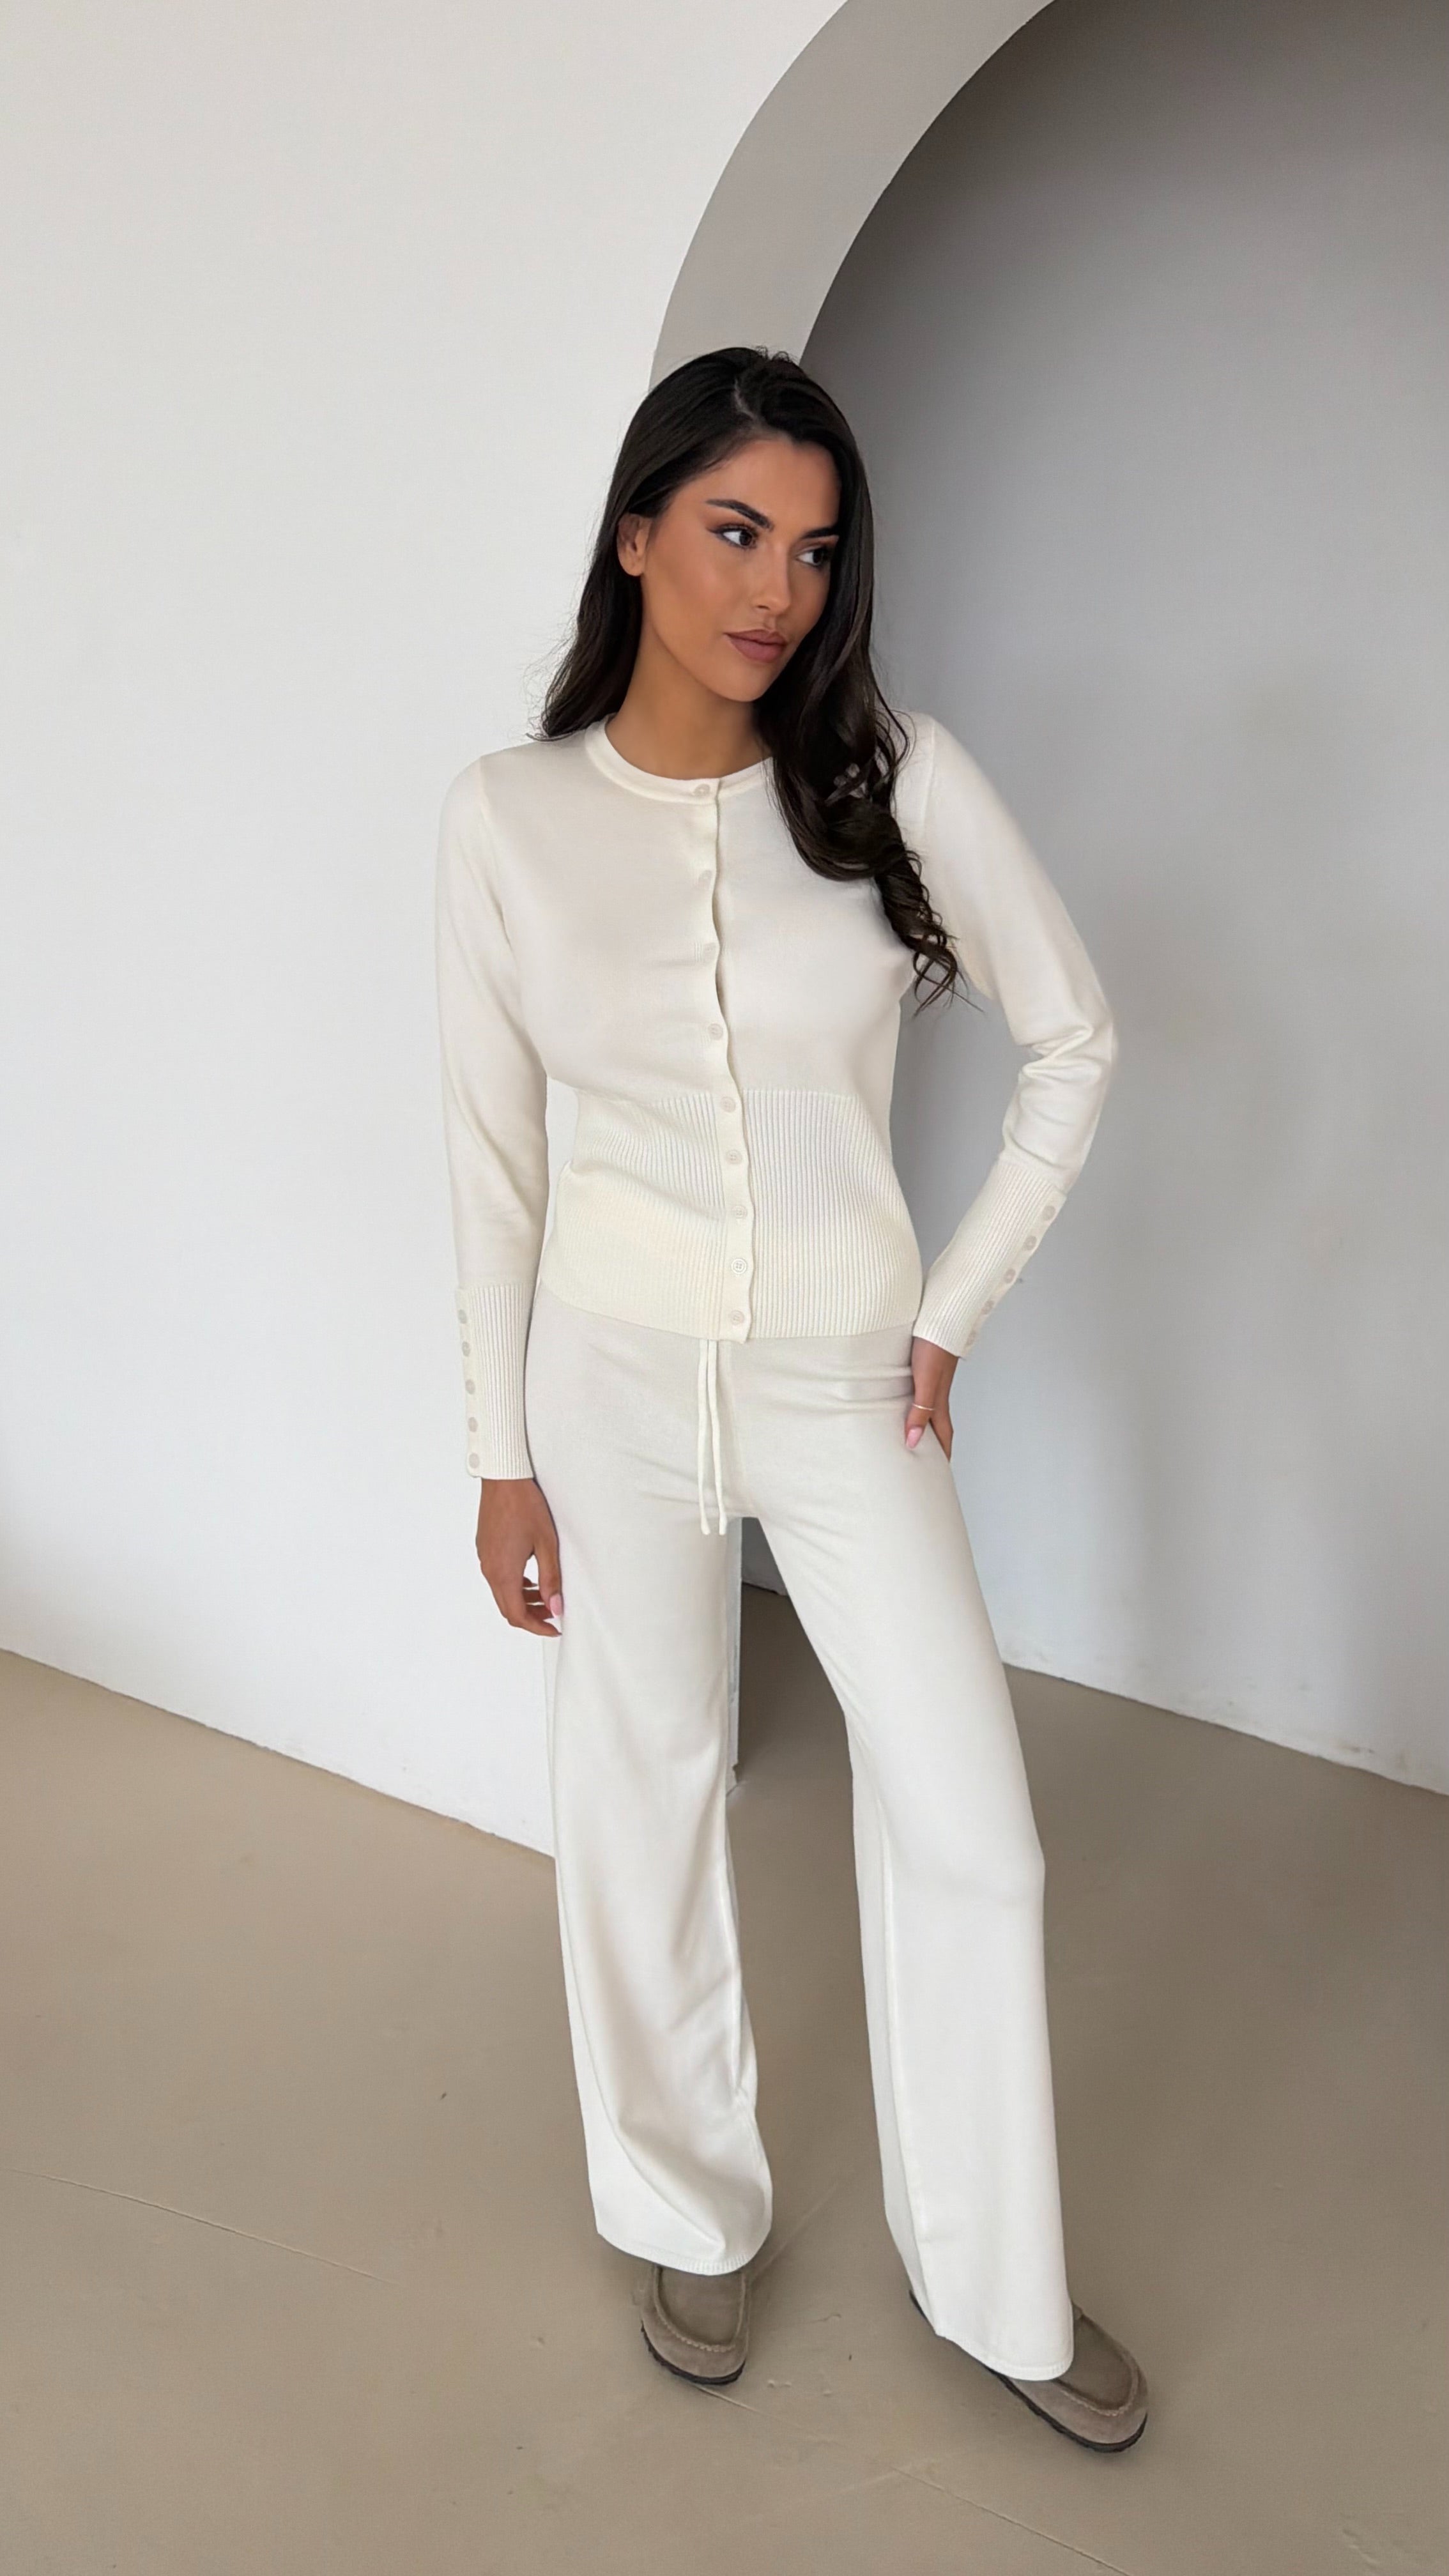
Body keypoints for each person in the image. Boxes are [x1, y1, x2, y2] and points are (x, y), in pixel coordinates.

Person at [433, 346, 1147, 2451]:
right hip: (609, 1376)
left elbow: (1074, 1037)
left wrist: (952, 1306)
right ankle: (683, 2203)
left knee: (972, 1829)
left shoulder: (892, 777)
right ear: (635, 534)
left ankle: (997, 2283)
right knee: (638, 1792)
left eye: (814, 550)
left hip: (846, 1380)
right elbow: (489, 1162)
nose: (775, 589)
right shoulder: (509, 820)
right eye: (734, 532)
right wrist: (497, 1458)